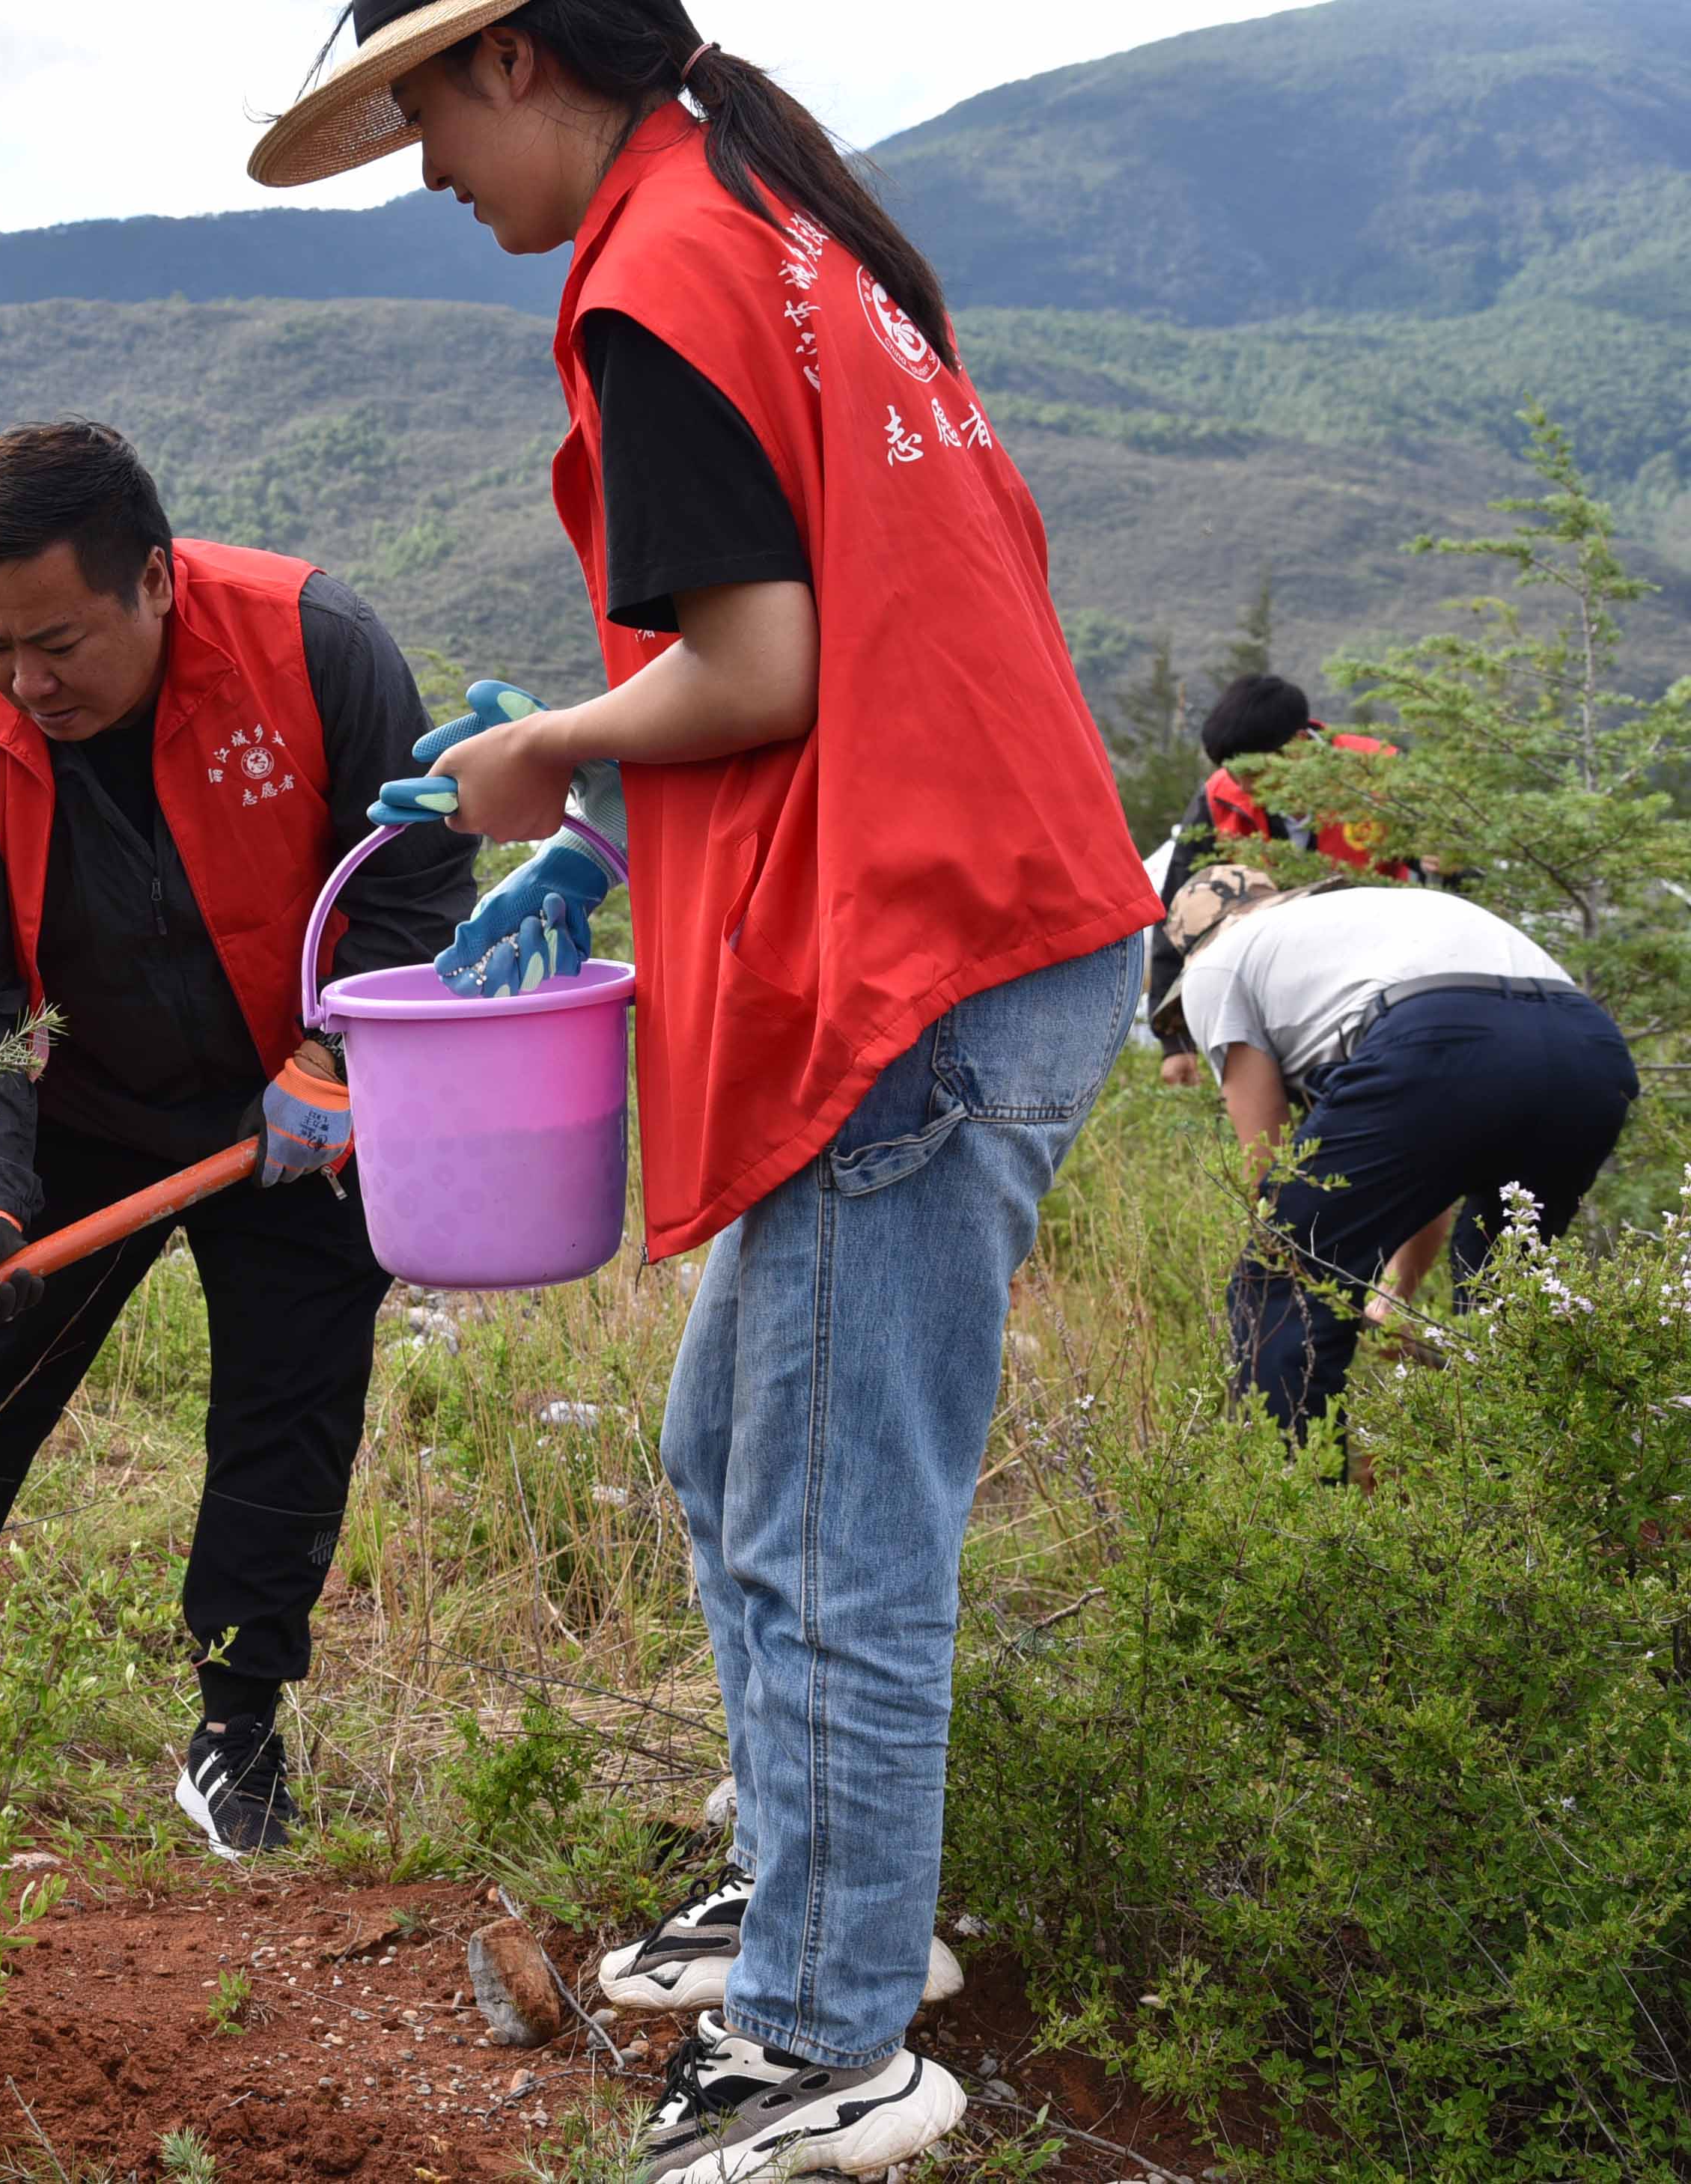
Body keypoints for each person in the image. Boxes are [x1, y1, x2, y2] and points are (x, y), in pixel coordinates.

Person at [253, 7, 1161, 2174]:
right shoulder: (770, 222)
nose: (422, 165)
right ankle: (811, 1887)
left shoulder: (658, 273)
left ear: (513, 62)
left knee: (832, 1519)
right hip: (974, 902)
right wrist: (600, 845)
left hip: (918, 958)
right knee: (732, 1447)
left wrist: (546, 751)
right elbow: (860, 627)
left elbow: (762, 665)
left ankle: (835, 2032)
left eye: (420, 110)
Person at [0, 421, 477, 1858]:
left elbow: (415, 875)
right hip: (79, 1110)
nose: (26, 680)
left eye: (57, 640)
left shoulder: (310, 644)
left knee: (285, 1405)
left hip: (297, 1105)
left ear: (153, 579)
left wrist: (334, 1054)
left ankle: (235, 1733)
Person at [1165, 866, 1635, 1445]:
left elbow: (1270, 1164)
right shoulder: (1356, 918)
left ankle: (1293, 1491)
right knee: (1504, 1292)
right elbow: (1417, 1167)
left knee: (1282, 1274)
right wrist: (1393, 1296)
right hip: (1589, 1050)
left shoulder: (1216, 963)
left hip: (1437, 1036)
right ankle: (1530, 1485)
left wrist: (1298, 1254)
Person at [1148, 675, 1408, 1086]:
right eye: (1235, 774)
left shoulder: (1380, 775)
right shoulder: (1220, 798)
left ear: (1300, 745)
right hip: (1277, 987)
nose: (1244, 787)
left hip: (1384, 975)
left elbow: (1451, 877)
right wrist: (1175, 1042)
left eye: (1255, 773)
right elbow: (1178, 908)